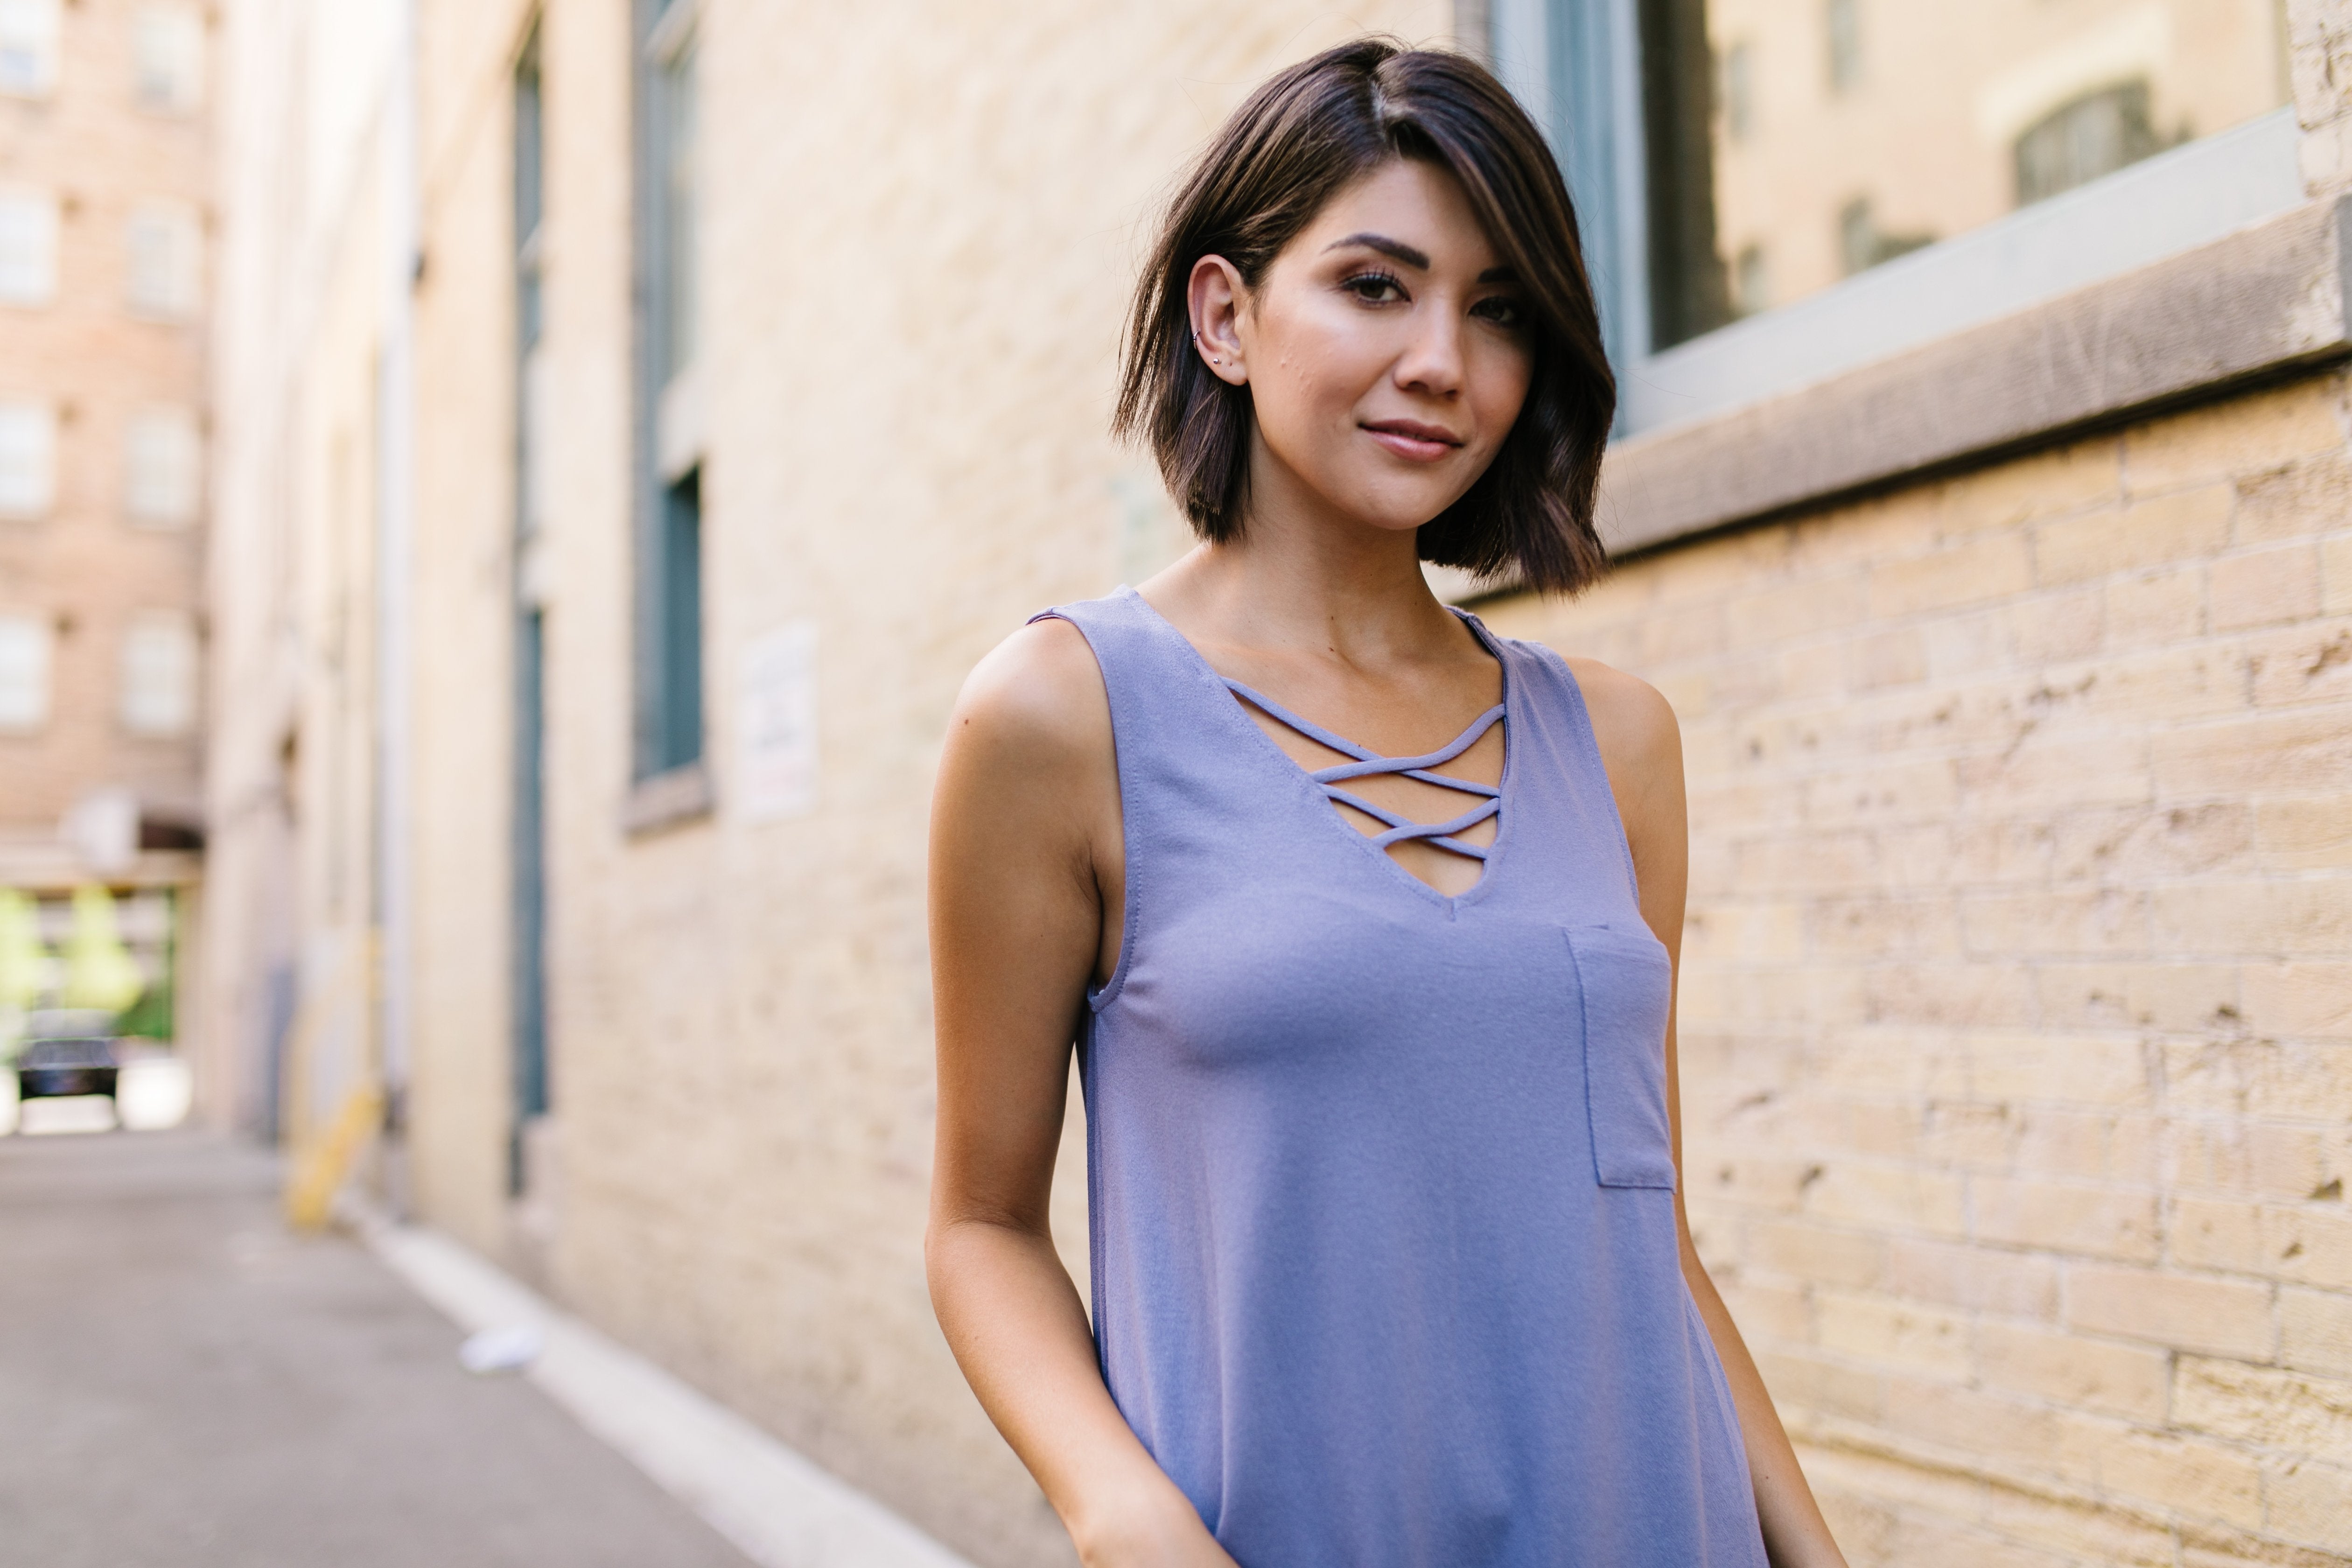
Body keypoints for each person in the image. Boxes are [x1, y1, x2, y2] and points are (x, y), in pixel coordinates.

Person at [926, 39, 1847, 1568]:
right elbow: (980, 1229)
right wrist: (1123, 1514)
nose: (1444, 361)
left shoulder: (1616, 742)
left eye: (1498, 313)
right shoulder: (1062, 716)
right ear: (1225, 315)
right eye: (1375, 286)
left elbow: (1651, 1237)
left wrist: (1815, 1555)